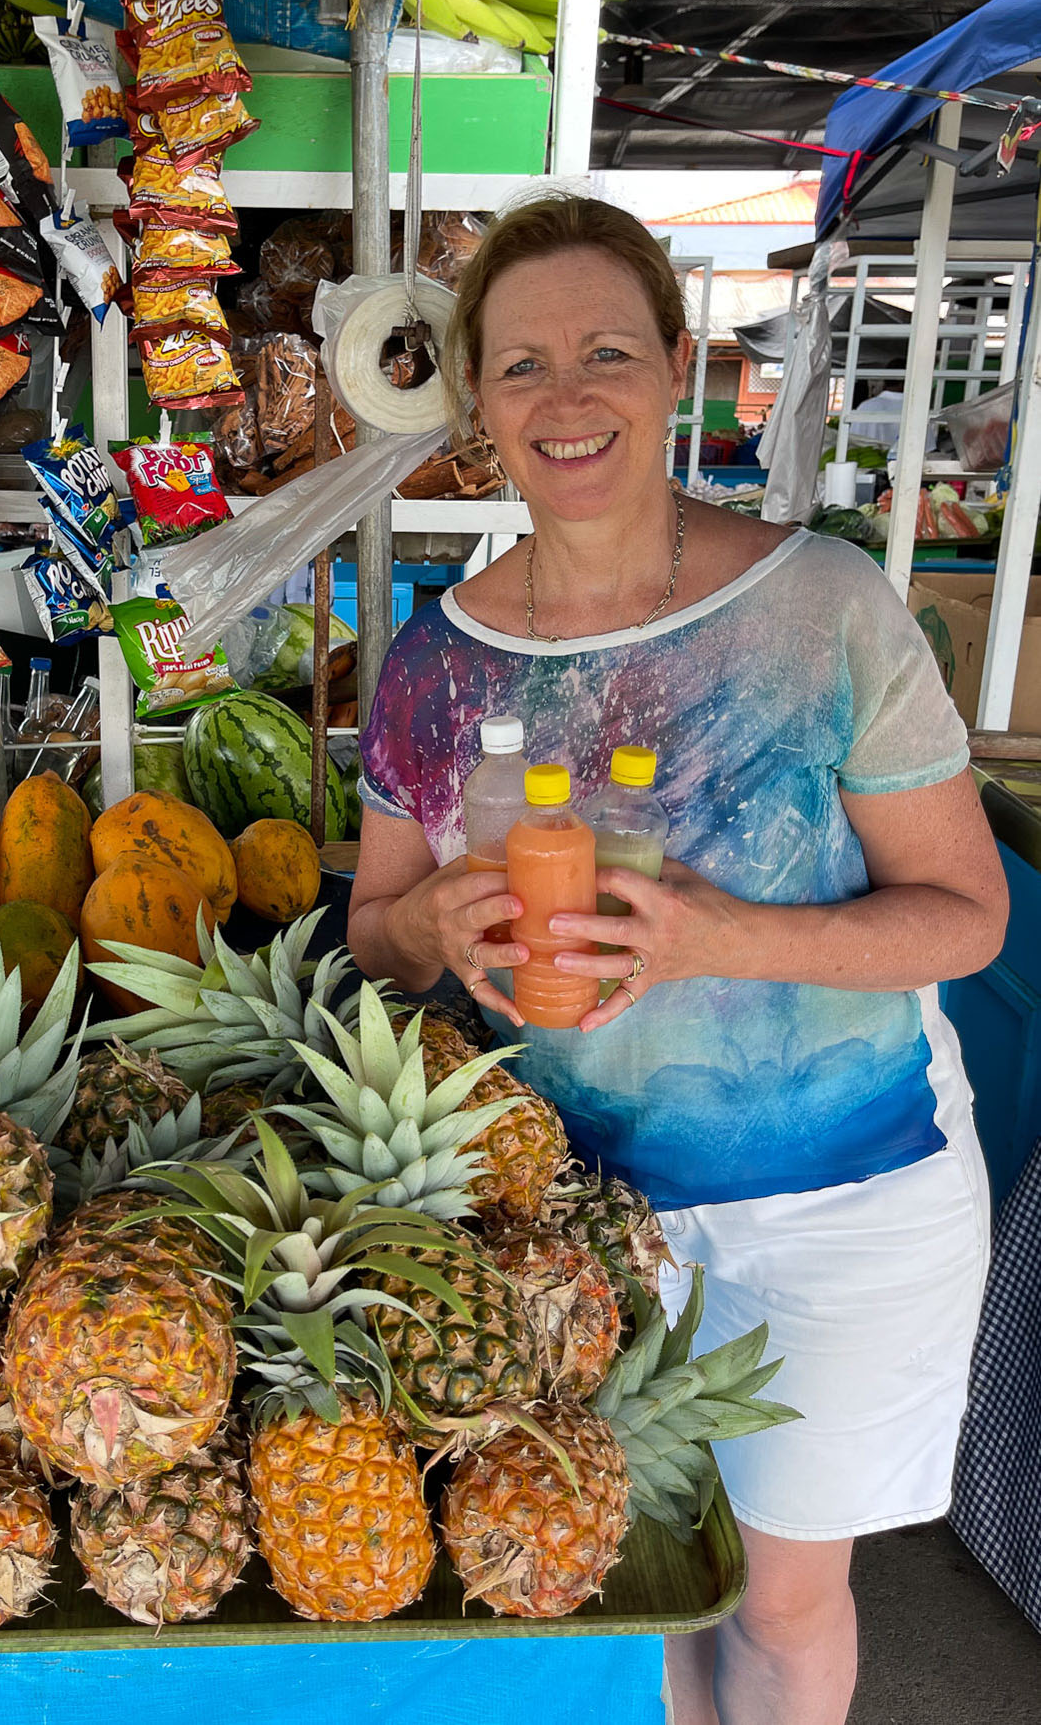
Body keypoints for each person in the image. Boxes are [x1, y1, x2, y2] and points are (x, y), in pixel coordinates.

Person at [348, 193, 1007, 1725]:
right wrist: (425, 927)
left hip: (841, 1199)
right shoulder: (435, 663)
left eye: (606, 353)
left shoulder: (824, 604)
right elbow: (374, 938)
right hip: (572, 1226)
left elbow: (966, 914)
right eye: (521, 366)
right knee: (637, 1585)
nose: (565, 397)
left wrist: (721, 935)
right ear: (477, 403)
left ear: (673, 367)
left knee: (781, 1602)